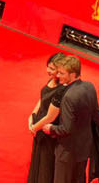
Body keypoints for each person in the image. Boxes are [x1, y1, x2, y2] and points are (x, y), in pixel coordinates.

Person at [43, 54, 99, 183]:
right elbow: (97, 115)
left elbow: (66, 128)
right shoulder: (89, 87)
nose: (58, 76)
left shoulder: (69, 96)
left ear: (73, 74)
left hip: (67, 151)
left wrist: (50, 128)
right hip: (84, 148)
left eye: (62, 73)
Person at [27, 55, 65, 183]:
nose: (48, 70)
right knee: (38, 157)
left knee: (46, 162)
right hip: (39, 125)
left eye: (52, 68)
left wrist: (35, 127)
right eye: (48, 66)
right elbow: (42, 98)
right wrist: (32, 115)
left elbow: (51, 116)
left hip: (46, 128)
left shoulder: (61, 89)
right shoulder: (51, 80)